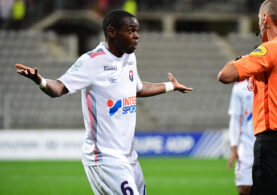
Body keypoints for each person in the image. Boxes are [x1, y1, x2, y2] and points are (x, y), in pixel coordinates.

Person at [15, 10, 193, 195]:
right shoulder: (92, 61)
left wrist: (170, 86)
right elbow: (59, 88)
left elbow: (137, 88)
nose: (137, 35)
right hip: (104, 157)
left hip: (129, 156)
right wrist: (40, 81)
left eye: (137, 30)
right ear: (112, 32)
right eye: (131, 30)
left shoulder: (129, 57)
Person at [218, 0, 277, 194]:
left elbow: (225, 75)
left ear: (265, 19)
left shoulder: (269, 50)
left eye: (259, 20)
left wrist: (244, 59)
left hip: (271, 142)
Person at [227, 80, 255, 195]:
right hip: (246, 143)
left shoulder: (270, 80)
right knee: (243, 189)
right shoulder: (239, 88)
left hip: (268, 141)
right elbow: (235, 119)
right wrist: (234, 148)